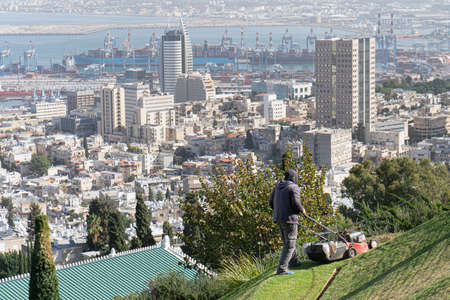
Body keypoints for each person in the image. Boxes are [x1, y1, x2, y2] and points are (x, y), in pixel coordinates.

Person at [269, 169, 306, 275]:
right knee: (290, 244)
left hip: (279, 218)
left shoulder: (277, 187)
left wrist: (280, 210)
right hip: (290, 219)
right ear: (294, 178)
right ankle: (282, 269)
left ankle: (294, 262)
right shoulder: (294, 187)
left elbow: (271, 203)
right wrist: (302, 210)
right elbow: (296, 203)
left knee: (287, 242)